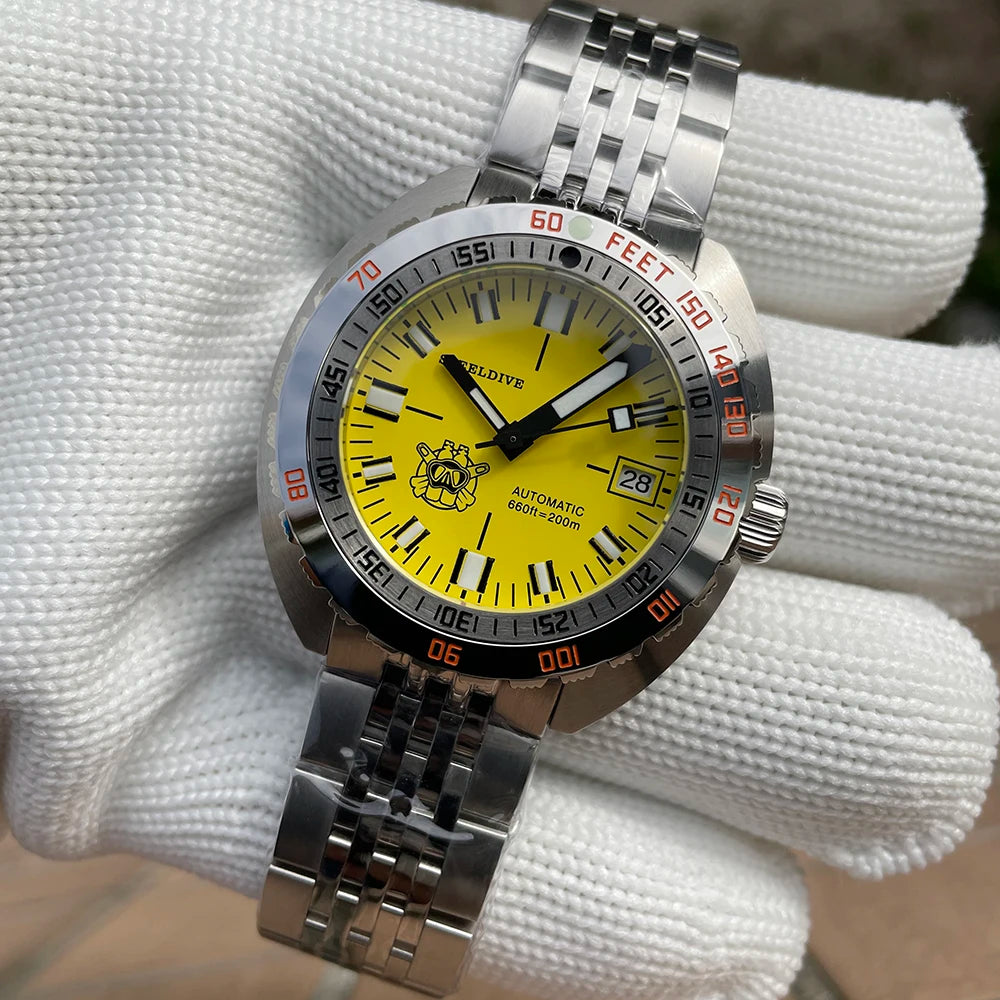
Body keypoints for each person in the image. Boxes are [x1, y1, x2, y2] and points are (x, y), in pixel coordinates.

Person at [1, 1, 997, 997]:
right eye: (502, 423)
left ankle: (371, 909)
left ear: (741, 515)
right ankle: (368, 907)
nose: (513, 440)